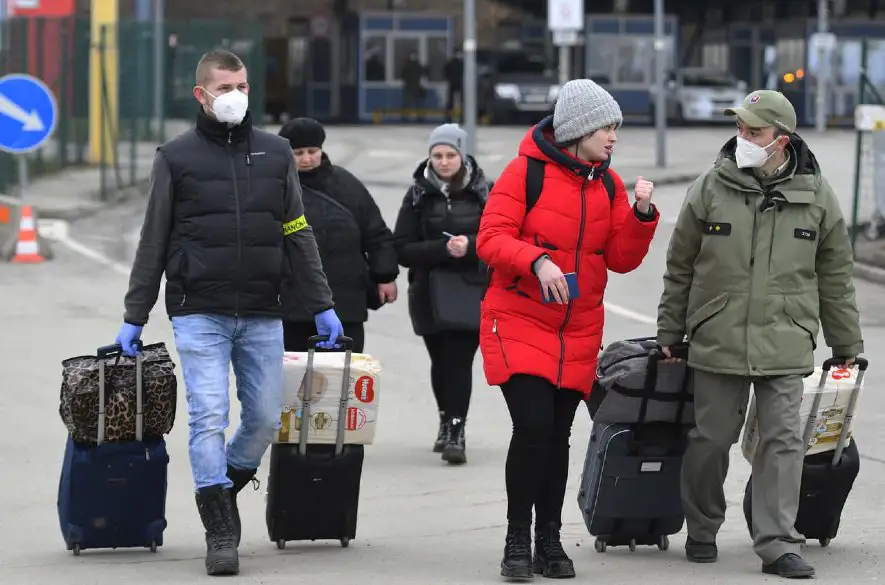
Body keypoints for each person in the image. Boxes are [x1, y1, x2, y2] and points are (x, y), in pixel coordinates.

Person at [112, 50, 344, 577]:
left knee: (264, 419)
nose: (236, 95)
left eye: (242, 84)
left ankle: (222, 489)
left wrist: (323, 304)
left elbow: (295, 231)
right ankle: (220, 528)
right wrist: (135, 314)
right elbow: (154, 239)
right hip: (199, 310)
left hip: (264, 308)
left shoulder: (276, 151)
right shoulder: (175, 157)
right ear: (201, 94)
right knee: (209, 415)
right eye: (225, 87)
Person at [656, 90, 864, 578]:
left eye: (754, 131)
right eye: (741, 129)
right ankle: (702, 528)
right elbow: (679, 266)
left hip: (786, 339)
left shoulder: (816, 195)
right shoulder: (710, 187)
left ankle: (777, 543)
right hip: (719, 337)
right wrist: (671, 331)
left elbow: (835, 275)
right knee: (710, 439)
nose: (743, 138)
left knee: (783, 442)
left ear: (782, 140)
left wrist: (847, 345)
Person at [475, 78, 659, 580]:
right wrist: (536, 262)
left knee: (558, 437)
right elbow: (490, 239)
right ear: (578, 129)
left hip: (576, 326)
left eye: (616, 127)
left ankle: (549, 541)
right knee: (532, 427)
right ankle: (517, 541)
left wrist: (642, 216)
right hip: (518, 318)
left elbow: (621, 259)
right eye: (607, 127)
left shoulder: (608, 184)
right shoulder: (524, 172)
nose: (613, 136)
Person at [393, 123, 490, 465]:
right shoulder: (418, 193)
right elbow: (401, 249)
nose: (444, 162)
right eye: (437, 155)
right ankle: (444, 418)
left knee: (459, 360)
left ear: (463, 155)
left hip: (470, 289)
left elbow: (503, 239)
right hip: (427, 291)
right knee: (439, 361)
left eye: (451, 155)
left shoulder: (485, 191)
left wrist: (473, 246)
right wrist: (444, 248)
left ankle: (457, 429)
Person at [277, 117, 399, 353]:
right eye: (298, 152)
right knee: (295, 383)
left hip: (346, 303)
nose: (306, 159)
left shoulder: (346, 185)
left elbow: (376, 233)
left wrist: (385, 275)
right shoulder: (276, 187)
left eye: (312, 151)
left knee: (343, 380)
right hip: (292, 304)